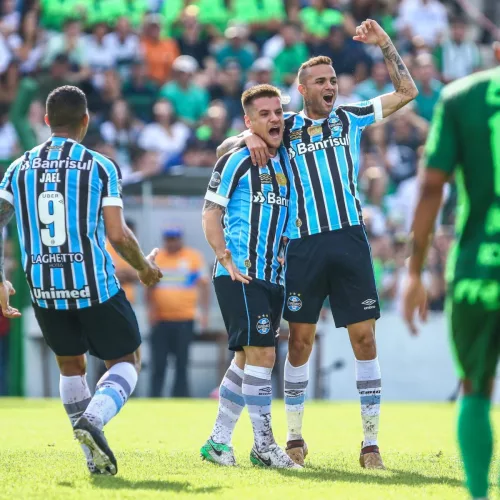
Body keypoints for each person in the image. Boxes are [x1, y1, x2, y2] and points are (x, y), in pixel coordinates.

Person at [217, 19, 418, 468]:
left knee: (364, 338)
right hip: (303, 246)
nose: (330, 87)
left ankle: (370, 444)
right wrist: (247, 134)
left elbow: (407, 93)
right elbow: (225, 149)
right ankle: (294, 439)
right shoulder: (283, 126)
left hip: (349, 240)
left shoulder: (351, 116)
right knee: (301, 342)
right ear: (303, 90)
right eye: (321, 82)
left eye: (332, 81)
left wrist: (385, 43)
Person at [0, 86, 162, 475]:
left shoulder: (18, 167)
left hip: (43, 287)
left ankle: (93, 458)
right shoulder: (100, 166)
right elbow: (118, 235)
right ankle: (94, 420)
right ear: (86, 120)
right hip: (94, 284)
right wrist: (142, 268)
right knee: (126, 360)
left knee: (71, 367)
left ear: (46, 121)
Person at [402, 45, 500, 500]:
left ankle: (479, 495)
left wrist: (415, 270)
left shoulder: (461, 97)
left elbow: (430, 189)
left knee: (475, 386)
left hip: (479, 267)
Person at [200, 84, 299, 469]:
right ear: (248, 121)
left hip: (271, 276)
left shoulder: (286, 158)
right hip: (241, 273)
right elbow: (210, 212)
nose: (274, 119)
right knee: (263, 354)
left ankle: (218, 442)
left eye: (278, 112)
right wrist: (224, 257)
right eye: (264, 114)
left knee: (246, 360)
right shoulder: (238, 160)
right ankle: (264, 446)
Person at [147, 227, 210, 398]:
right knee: (158, 363)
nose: (172, 242)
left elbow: (204, 286)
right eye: (169, 239)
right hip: (161, 320)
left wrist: (204, 313)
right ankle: (154, 398)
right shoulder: (157, 258)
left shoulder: (193, 257)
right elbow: (149, 287)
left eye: (175, 239)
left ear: (180, 240)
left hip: (185, 319)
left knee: (182, 363)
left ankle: (180, 398)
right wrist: (150, 312)